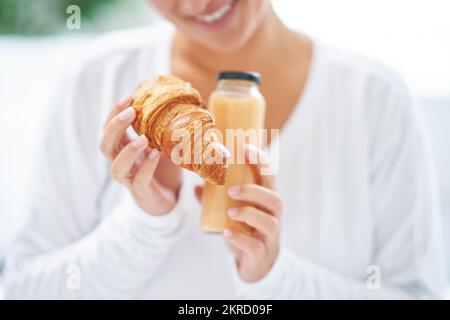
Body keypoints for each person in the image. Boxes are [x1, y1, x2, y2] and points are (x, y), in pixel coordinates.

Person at [3, 0, 446, 299]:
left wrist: (276, 279)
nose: (196, 3)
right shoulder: (95, 80)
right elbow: (22, 288)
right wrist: (144, 226)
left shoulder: (374, 99)